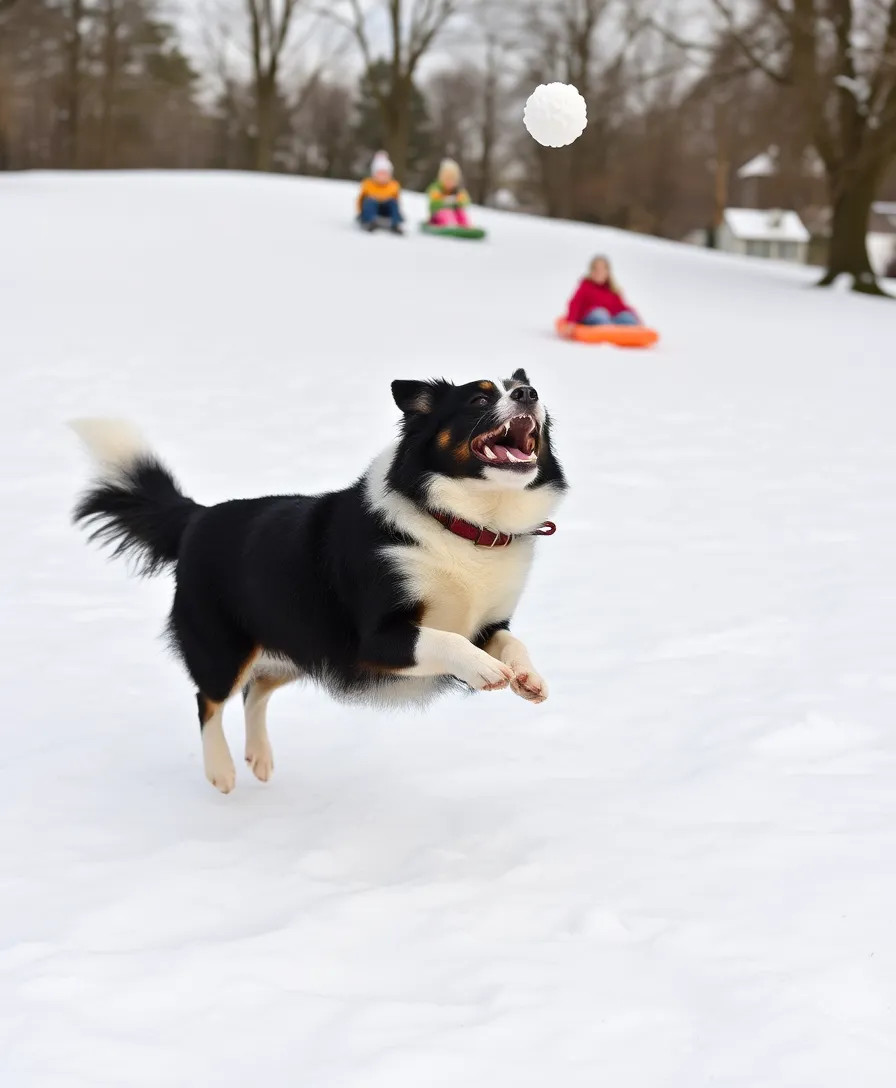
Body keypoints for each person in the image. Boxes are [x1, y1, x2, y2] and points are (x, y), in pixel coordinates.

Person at [560, 256, 640, 334]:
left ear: (607, 272)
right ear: (591, 271)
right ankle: (609, 331)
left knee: (627, 317)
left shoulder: (612, 289)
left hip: (610, 320)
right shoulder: (586, 286)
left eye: (602, 269)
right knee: (600, 313)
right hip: (591, 319)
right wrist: (571, 321)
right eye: (596, 269)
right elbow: (575, 303)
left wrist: (633, 316)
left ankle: (622, 330)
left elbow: (621, 307)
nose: (599, 272)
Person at [357, 151, 403, 233]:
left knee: (392, 202)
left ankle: (395, 223)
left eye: (385, 174)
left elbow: (397, 200)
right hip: (372, 208)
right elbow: (361, 199)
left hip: (385, 210)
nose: (383, 177)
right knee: (370, 201)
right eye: (380, 174)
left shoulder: (393, 185)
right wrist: (360, 212)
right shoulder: (368, 184)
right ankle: (369, 221)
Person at [426, 158, 472, 227]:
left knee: (460, 212)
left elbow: (466, 201)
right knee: (446, 212)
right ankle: (450, 226)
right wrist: (445, 201)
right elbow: (434, 202)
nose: (449, 182)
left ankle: (464, 225)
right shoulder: (436, 189)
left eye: (452, 180)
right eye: (447, 179)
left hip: (454, 215)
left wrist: (459, 202)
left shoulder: (458, 190)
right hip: (437, 215)